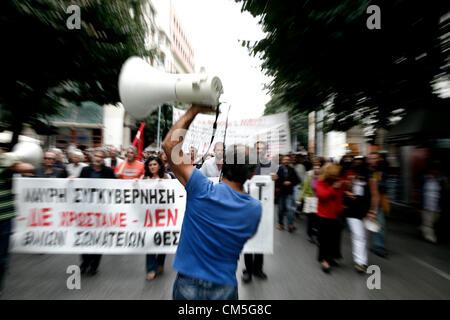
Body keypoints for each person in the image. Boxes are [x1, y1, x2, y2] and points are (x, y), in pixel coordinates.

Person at [162, 104, 262, 300]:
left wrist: (194, 110)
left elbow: (169, 146)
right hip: (225, 286)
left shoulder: (200, 188)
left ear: (222, 164)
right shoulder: (255, 209)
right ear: (251, 174)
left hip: (187, 284)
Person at [242, 141, 277, 284]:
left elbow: (277, 186)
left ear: (266, 151)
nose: (259, 151)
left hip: (264, 209)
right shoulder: (246, 165)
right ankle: (248, 270)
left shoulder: (271, 166)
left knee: (262, 237)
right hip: (247, 208)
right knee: (249, 239)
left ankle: (258, 269)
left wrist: (276, 179)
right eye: (257, 149)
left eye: (262, 149)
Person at [0, 150, 34, 295]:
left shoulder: (5, 171)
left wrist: (7, 160)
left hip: (3, 220)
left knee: (1, 257)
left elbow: (28, 168)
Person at [78, 149, 116, 275]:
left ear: (104, 159)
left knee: (98, 238)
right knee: (85, 238)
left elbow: (115, 188)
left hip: (102, 211)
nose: (98, 158)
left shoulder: (108, 171)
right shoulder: (85, 171)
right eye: (96, 156)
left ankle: (94, 265)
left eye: (101, 156)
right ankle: (84, 263)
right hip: (86, 210)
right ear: (92, 157)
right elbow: (78, 186)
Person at [342, 158, 376, 273]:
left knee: (364, 237)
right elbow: (345, 191)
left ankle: (363, 261)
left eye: (360, 174)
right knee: (358, 236)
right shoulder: (352, 179)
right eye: (356, 173)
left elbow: (375, 197)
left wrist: (372, 211)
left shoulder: (371, 180)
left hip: (365, 211)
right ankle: (359, 262)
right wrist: (348, 193)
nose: (358, 176)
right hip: (352, 211)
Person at [142, 156, 172, 280]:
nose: (152, 167)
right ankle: (151, 268)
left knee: (161, 240)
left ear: (159, 165)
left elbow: (172, 193)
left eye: (155, 164)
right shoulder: (144, 179)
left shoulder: (167, 177)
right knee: (150, 242)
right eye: (150, 165)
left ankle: (160, 262)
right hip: (149, 215)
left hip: (164, 214)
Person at [315, 162, 344, 273]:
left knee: (334, 238)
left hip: (336, 214)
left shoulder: (336, 181)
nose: (336, 176)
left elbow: (338, 197)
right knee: (325, 239)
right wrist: (333, 188)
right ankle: (324, 260)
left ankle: (331, 258)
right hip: (324, 215)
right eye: (333, 174)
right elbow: (322, 196)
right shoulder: (320, 182)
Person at [420, 161, 449, 243]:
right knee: (429, 222)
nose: (434, 172)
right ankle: (430, 237)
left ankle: (423, 228)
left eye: (436, 170)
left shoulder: (441, 179)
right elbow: (421, 191)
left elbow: (445, 191)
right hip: (426, 205)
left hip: (437, 206)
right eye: (433, 170)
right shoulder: (425, 178)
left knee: (434, 220)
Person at [298, 159, 321, 244]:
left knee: (318, 219)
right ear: (313, 169)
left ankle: (318, 237)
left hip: (319, 200)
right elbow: (304, 188)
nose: (317, 170)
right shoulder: (309, 176)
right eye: (315, 168)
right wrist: (299, 199)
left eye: (318, 168)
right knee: (310, 219)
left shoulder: (322, 178)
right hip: (310, 200)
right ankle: (310, 235)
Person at [276, 155, 300, 232]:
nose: (286, 161)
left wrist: (290, 182)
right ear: (282, 161)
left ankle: (290, 225)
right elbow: (276, 181)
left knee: (289, 209)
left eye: (287, 159)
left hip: (289, 193)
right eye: (285, 159)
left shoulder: (292, 170)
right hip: (281, 193)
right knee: (280, 209)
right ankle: (280, 224)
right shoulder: (278, 170)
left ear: (289, 161)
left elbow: (297, 180)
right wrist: (283, 182)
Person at [367, 152, 385, 257]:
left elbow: (381, 189)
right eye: (372, 158)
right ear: (368, 159)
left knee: (380, 224)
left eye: (375, 158)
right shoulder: (366, 171)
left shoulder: (380, 172)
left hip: (376, 202)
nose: (374, 160)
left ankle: (379, 247)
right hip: (365, 201)